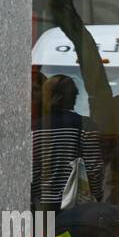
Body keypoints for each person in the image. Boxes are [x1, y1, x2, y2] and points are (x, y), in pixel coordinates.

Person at [32, 74, 105, 209]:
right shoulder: (86, 125)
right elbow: (94, 168)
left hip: (45, 205)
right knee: (75, 231)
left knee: (47, 231)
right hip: (77, 206)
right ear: (73, 97)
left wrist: (39, 197)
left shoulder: (35, 128)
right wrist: (97, 196)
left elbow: (33, 171)